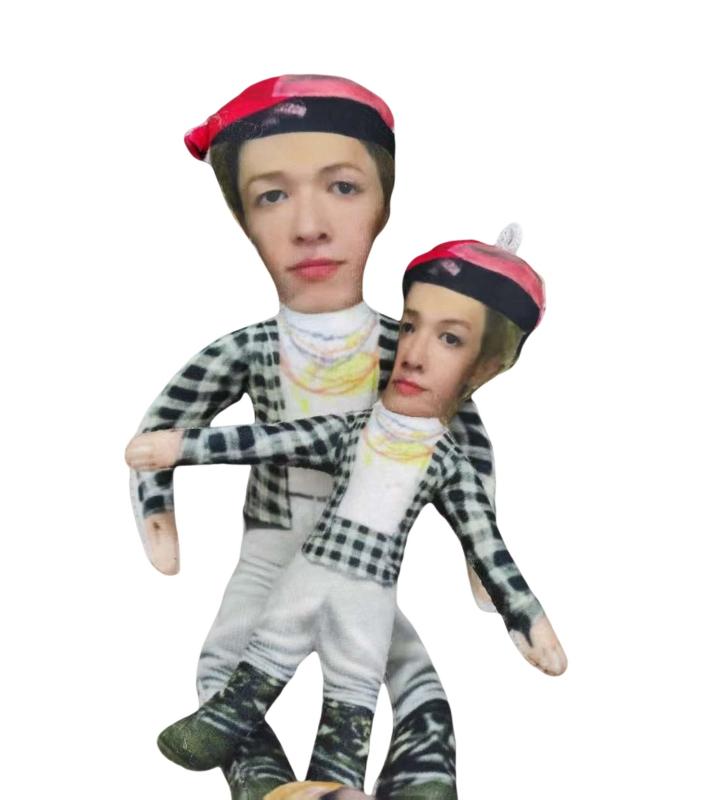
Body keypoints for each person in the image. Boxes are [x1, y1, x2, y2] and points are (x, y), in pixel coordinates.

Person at [129, 75, 498, 800]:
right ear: (242, 217)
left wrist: (479, 545)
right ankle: (266, 783)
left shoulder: (408, 352)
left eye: (343, 188)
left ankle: (419, 776)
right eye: (271, 196)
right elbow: (169, 421)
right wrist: (157, 510)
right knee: (225, 664)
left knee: (393, 665)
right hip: (271, 546)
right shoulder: (250, 349)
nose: (309, 226)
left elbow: (466, 439)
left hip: (367, 551)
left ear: (384, 201)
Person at [128, 236, 567, 798]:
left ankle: (337, 784)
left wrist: (528, 619)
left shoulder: (450, 467)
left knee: (351, 698)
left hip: (369, 599)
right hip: (305, 574)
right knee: (260, 662)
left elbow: (488, 545)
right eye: (410, 327)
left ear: (485, 367)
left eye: (449, 339)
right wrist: (181, 447)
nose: (414, 352)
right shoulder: (352, 430)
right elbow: (274, 439)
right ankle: (224, 726)